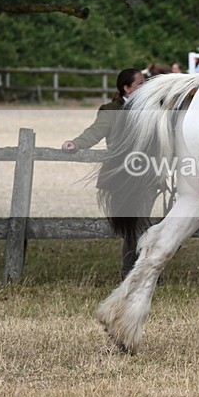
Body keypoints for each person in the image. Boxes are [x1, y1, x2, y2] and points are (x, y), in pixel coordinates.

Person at [62, 68, 145, 278]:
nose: (144, 88)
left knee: (141, 223)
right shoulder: (111, 110)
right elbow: (95, 132)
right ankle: (134, 270)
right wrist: (77, 143)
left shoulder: (149, 109)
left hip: (147, 175)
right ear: (127, 88)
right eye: (140, 84)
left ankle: (141, 268)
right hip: (122, 174)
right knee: (133, 224)